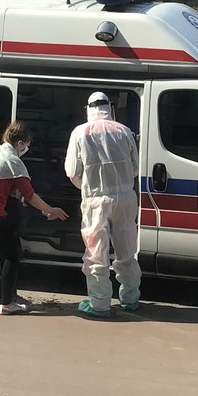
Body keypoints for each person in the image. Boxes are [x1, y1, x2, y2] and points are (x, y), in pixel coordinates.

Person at [0, 121, 68, 315]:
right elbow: (30, 195)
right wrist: (50, 210)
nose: (26, 148)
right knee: (12, 253)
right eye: (26, 144)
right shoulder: (13, 161)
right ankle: (7, 303)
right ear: (20, 143)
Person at [64, 92, 141, 318]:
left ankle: (100, 304)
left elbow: (71, 171)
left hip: (96, 201)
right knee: (126, 250)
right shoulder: (124, 131)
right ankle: (130, 298)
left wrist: (87, 188)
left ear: (88, 108)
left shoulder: (80, 133)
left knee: (96, 253)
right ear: (110, 108)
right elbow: (135, 167)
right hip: (126, 198)